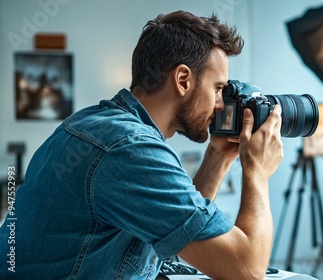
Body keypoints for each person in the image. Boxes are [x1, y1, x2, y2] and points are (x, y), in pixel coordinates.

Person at [0, 11, 283, 280]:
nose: (221, 104)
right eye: (218, 88)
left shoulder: (96, 123)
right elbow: (245, 269)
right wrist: (256, 171)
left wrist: (219, 155)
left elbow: (179, 224)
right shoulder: (130, 148)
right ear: (183, 80)